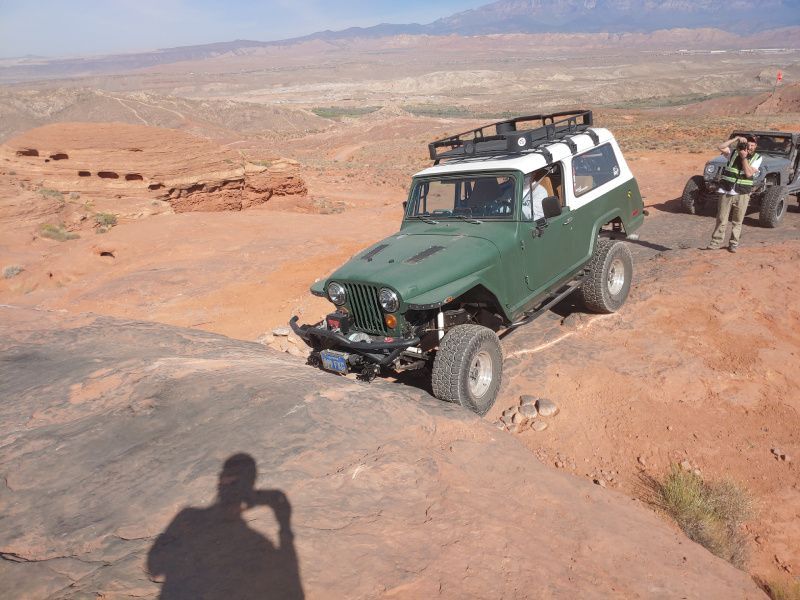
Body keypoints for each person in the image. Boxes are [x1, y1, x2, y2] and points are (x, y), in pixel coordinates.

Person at [705, 134, 762, 252]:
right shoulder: (733, 153)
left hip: (743, 193)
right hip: (726, 190)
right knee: (721, 218)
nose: (749, 147)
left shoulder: (757, 158)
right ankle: (715, 242)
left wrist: (743, 158)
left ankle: (733, 244)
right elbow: (720, 146)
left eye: (752, 145)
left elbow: (748, 173)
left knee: (738, 220)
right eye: (748, 144)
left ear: (756, 146)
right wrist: (735, 139)